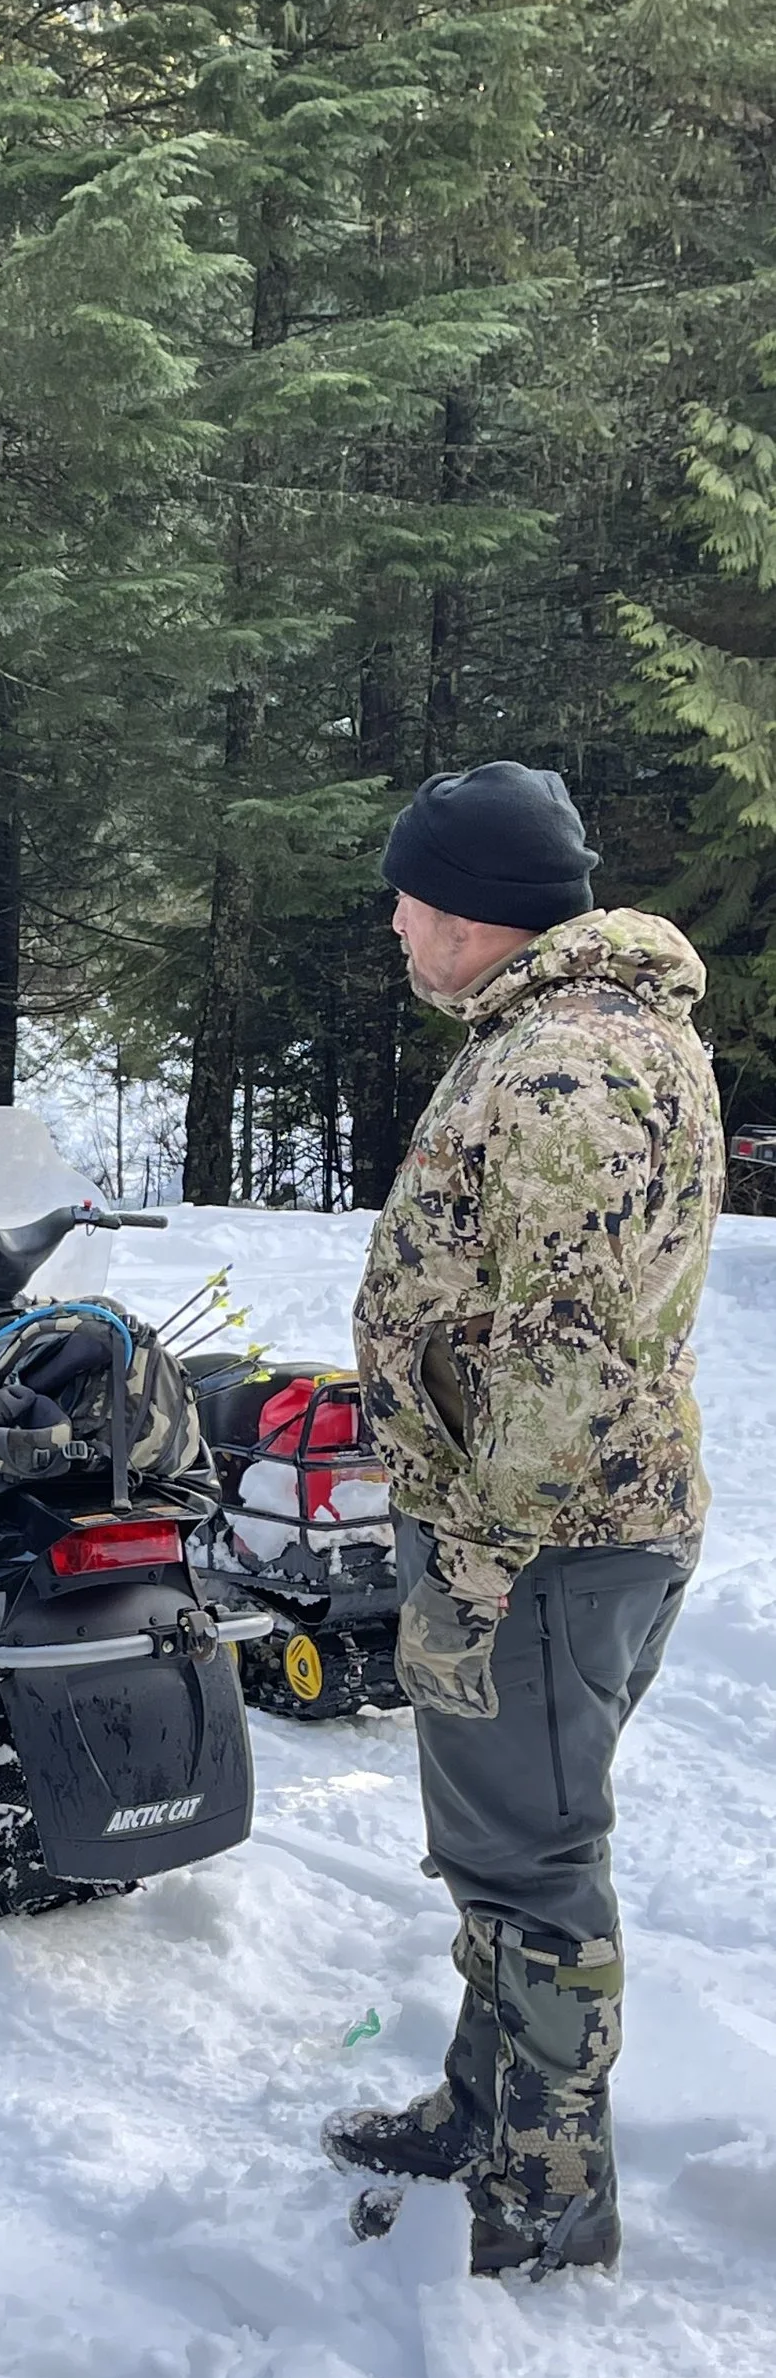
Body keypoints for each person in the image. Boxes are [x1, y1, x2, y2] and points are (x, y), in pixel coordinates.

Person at [328, 762, 723, 2277]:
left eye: (412, 900)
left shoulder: (563, 1068)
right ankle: (485, 2108)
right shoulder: (573, 1032)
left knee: (541, 1868)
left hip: (546, 1545)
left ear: (478, 913)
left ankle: (547, 2197)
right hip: (554, 1530)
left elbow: (564, 1354)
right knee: (502, 1846)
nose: (398, 926)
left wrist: (478, 1572)